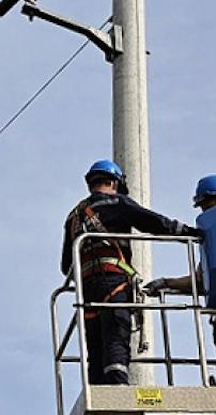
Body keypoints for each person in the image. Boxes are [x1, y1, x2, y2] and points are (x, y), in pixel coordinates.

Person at [62, 159, 198, 385]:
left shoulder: (73, 217)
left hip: (86, 291)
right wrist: (188, 232)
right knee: (116, 335)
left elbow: (66, 265)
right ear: (114, 182)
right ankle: (118, 386)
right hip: (114, 282)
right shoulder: (117, 203)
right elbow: (153, 222)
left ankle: (98, 391)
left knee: (95, 344)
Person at [144, 174, 216, 387]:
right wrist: (167, 282)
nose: (206, 214)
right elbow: (202, 279)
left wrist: (167, 282)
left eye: (208, 206)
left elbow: (202, 279)